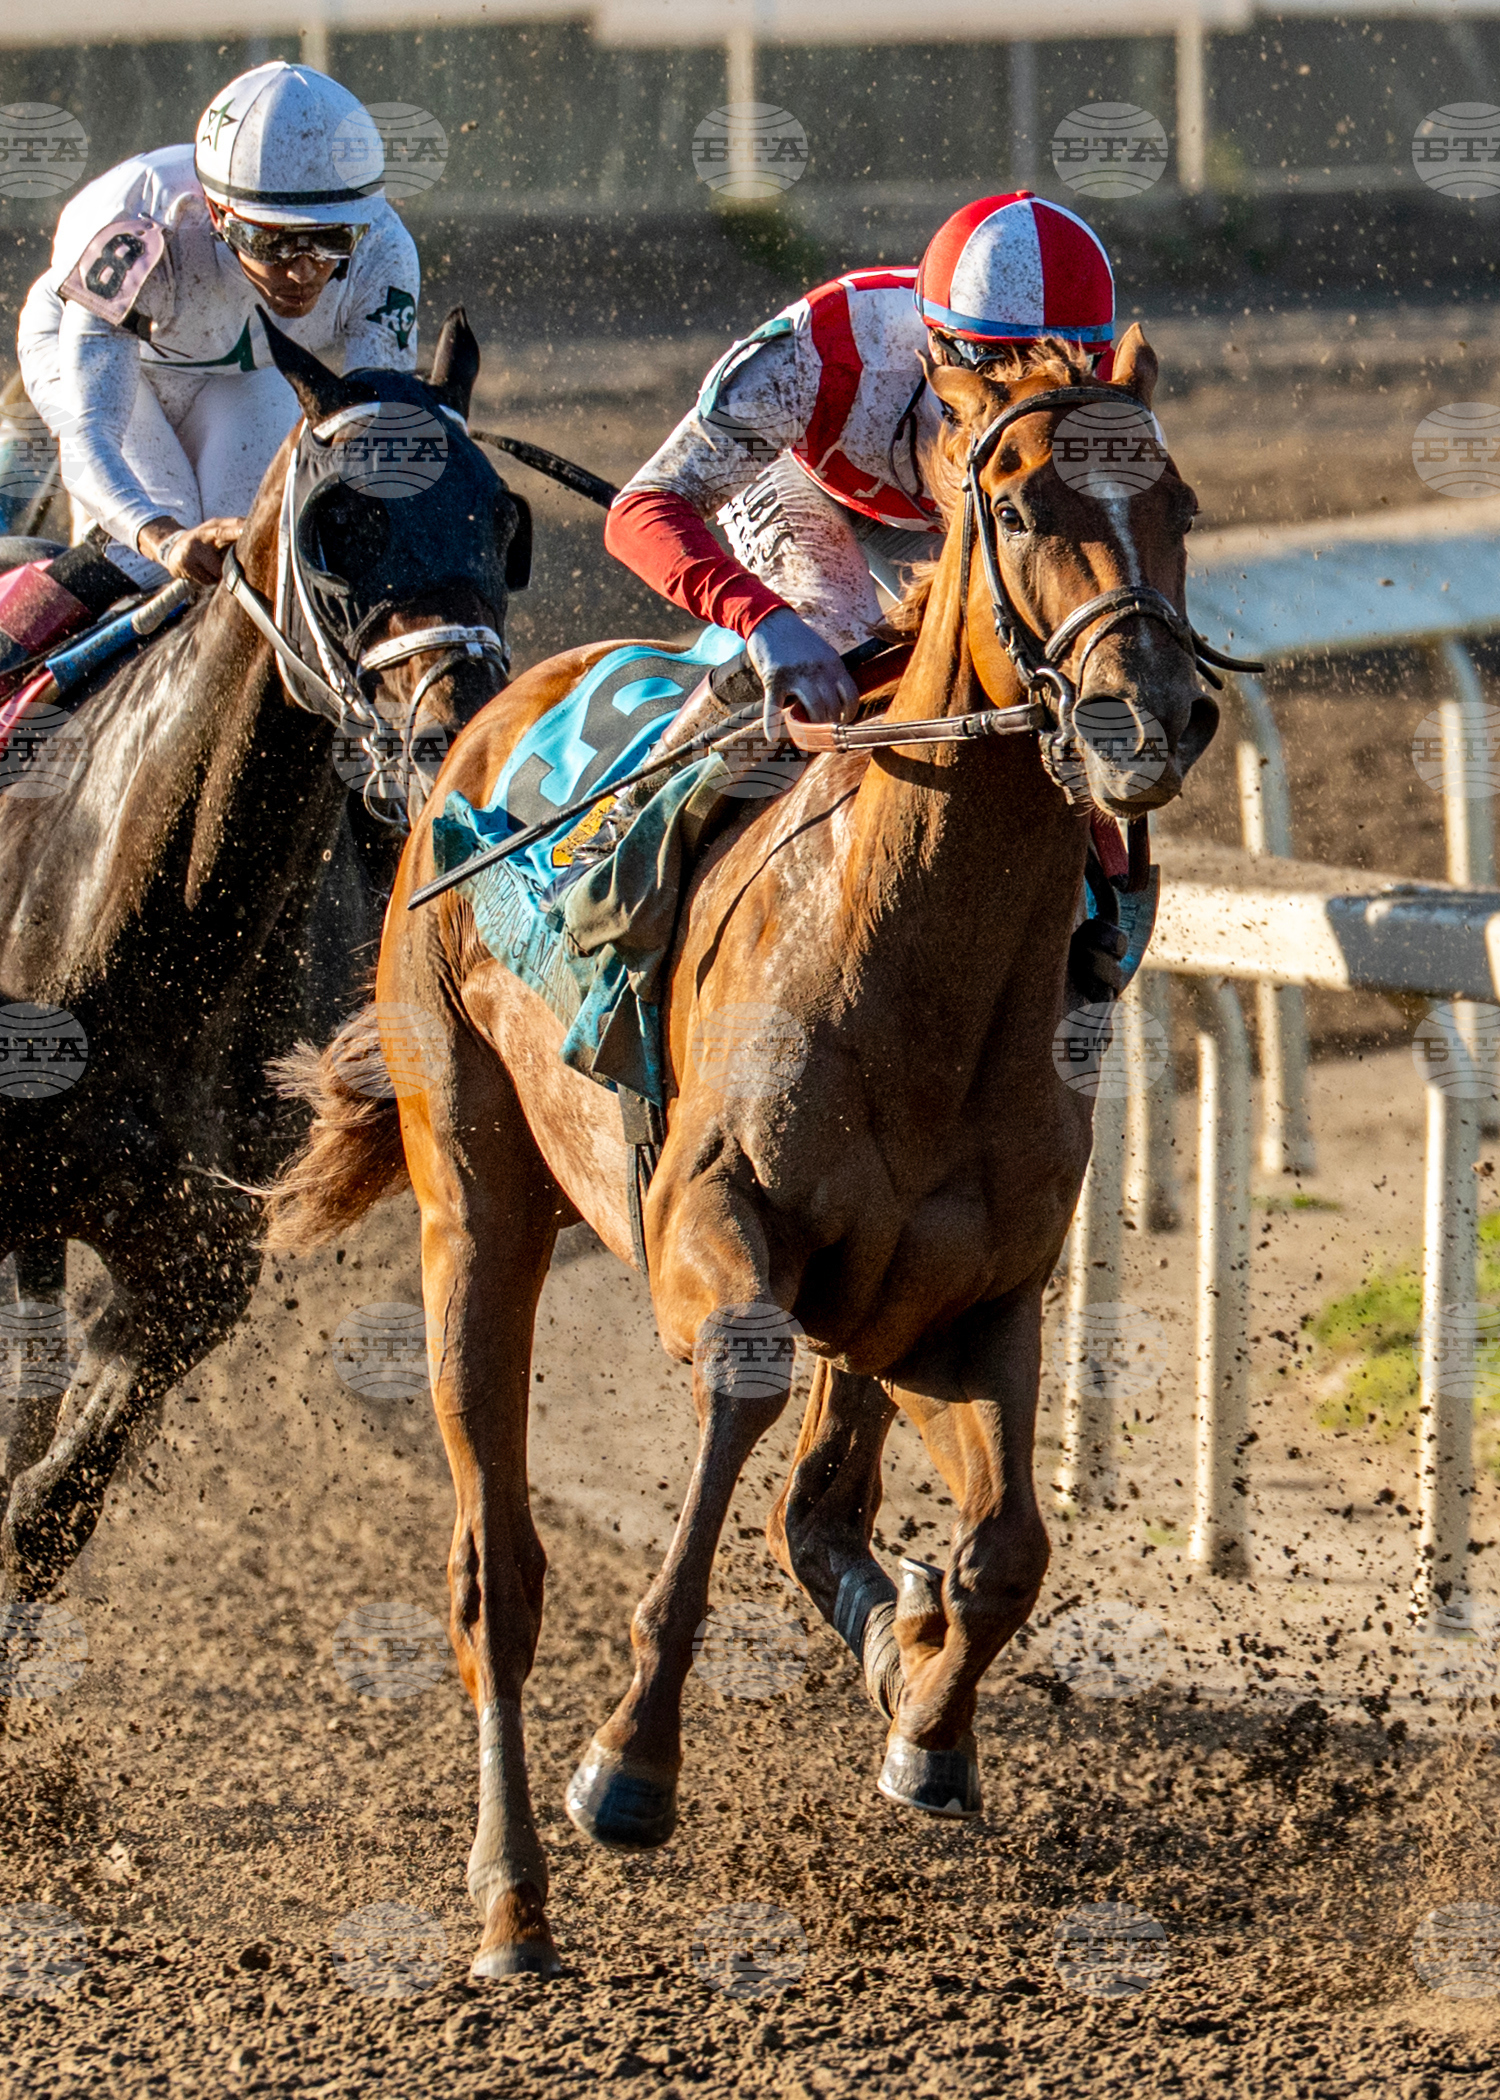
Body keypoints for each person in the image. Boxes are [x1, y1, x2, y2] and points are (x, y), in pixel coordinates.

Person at [604, 191, 1116, 738]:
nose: (1023, 392)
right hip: (801, 477)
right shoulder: (821, 348)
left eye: (1061, 365)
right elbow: (641, 510)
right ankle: (641, 803)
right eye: (996, 366)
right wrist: (765, 621)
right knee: (828, 640)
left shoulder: (1098, 393)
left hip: (947, 510)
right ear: (938, 344)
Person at [17, 60, 420, 589]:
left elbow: (371, 436)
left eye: (331, 240)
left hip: (242, 367)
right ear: (215, 211)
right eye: (273, 242)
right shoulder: (141, 229)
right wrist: (160, 537)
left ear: (363, 223)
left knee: (254, 541)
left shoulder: (385, 250)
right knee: (150, 547)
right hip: (119, 359)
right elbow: (93, 437)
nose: (303, 271)